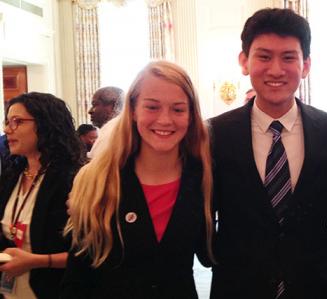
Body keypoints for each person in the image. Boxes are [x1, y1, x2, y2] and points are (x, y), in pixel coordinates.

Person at [209, 8, 327, 299]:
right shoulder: (215, 133)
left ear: (306, 65)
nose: (275, 70)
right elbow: (205, 210)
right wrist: (215, 255)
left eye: (288, 57)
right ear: (244, 61)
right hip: (237, 284)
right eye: (263, 56)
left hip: (314, 285)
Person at [61, 61, 214, 298]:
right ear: (133, 111)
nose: (165, 120)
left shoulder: (203, 177)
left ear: (191, 115)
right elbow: (77, 276)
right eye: (152, 107)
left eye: (178, 109)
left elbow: (209, 254)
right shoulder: (97, 180)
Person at [0, 92, 84, 299]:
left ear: (46, 125)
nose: (7, 129)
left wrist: (36, 260)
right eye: (7, 121)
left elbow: (90, 255)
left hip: (53, 290)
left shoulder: (74, 180)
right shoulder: (13, 175)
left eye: (17, 121)